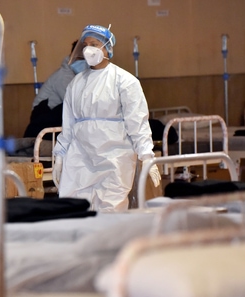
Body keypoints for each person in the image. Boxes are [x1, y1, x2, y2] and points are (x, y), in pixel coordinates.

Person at [52, 24, 161, 211]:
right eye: (85, 44)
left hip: (114, 158)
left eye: (94, 44)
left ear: (107, 48)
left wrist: (147, 155)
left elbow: (137, 123)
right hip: (80, 158)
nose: (88, 49)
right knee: (76, 211)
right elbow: (69, 125)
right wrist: (60, 155)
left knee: (111, 210)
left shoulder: (125, 82)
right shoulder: (76, 83)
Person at [23, 41, 88, 138]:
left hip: (56, 118)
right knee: (75, 104)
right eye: (80, 58)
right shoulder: (63, 76)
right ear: (73, 56)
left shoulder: (82, 76)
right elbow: (75, 106)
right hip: (43, 119)